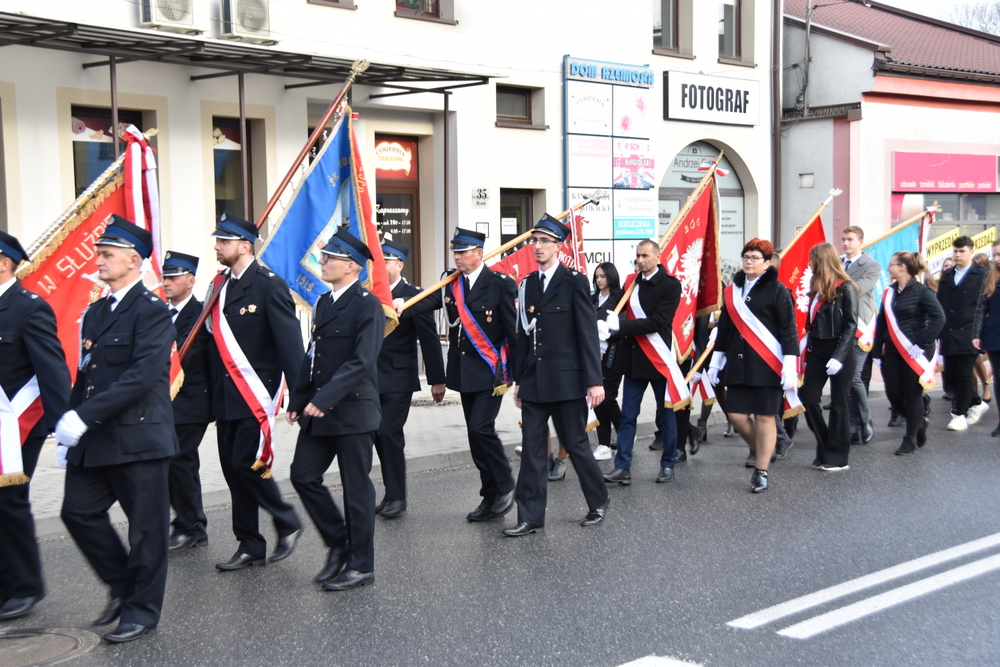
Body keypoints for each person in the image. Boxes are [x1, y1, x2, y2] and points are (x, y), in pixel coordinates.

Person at [57, 216, 178, 643]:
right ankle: (122, 584)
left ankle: (141, 611)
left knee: (146, 529)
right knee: (77, 511)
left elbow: (143, 376)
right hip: (98, 437)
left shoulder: (152, 311)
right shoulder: (97, 310)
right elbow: (86, 374)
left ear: (133, 260)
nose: (100, 260)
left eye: (107, 255)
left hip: (140, 436)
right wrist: (68, 424)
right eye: (100, 253)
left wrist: (83, 417)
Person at [288, 228, 384, 591]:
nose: (321, 262)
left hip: (352, 411)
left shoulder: (367, 305)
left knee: (356, 489)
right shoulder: (325, 302)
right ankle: (338, 542)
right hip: (319, 409)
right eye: (322, 257)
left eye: (328, 258)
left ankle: (361, 565)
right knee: (302, 475)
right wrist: (298, 399)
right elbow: (313, 356)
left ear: (351, 266)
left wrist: (322, 398)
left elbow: (361, 362)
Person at [399, 228, 518, 521]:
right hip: (465, 373)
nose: (457, 257)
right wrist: (403, 306)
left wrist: (521, 376)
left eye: (463, 252)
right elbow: (428, 301)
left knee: (481, 429)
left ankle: (505, 484)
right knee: (475, 437)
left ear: (479, 254)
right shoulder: (452, 283)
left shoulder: (501, 285)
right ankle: (489, 497)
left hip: (492, 372)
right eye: (455, 252)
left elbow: (514, 333)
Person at [207, 212, 304, 571]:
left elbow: (290, 344)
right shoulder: (219, 284)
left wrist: (299, 393)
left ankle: (287, 518)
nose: (217, 246)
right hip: (224, 395)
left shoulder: (268, 285)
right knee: (231, 472)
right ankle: (249, 543)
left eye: (224, 241)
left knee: (244, 464)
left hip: (254, 393)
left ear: (244, 245)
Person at [504, 215, 610, 537]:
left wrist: (594, 380)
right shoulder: (526, 285)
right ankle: (530, 515)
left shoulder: (575, 281)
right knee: (533, 449)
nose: (537, 247)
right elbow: (522, 337)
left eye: (544, 241)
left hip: (566, 381)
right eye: (534, 241)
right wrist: (519, 380)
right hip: (535, 380)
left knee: (576, 444)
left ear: (558, 246)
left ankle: (598, 500)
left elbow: (587, 335)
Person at [0, 231, 71, 621]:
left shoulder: (28, 308)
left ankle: (24, 587)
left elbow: (53, 372)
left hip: (19, 425)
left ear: (4, 263)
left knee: (10, 502)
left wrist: (64, 430)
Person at [706, 238, 798, 493]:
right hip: (737, 361)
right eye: (746, 256)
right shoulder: (732, 292)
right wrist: (716, 362)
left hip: (768, 364)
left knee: (765, 416)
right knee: (736, 415)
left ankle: (761, 471)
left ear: (767, 263)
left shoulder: (778, 291)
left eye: (755, 258)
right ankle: (764, 450)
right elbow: (724, 329)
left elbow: (789, 330)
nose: (749, 261)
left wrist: (790, 366)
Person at [373, 239, 446, 519]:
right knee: (378, 436)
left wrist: (436, 379)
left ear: (399, 265)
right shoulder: (372, 293)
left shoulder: (413, 295)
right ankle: (391, 493)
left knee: (389, 432)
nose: (380, 265)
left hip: (399, 376)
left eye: (386, 261)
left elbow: (429, 339)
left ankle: (398, 498)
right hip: (372, 378)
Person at [601, 239, 682, 485]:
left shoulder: (670, 285)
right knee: (627, 415)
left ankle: (668, 463)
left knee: (665, 415)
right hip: (634, 360)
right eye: (638, 256)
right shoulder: (631, 282)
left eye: (645, 255)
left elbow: (658, 322)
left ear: (658, 257)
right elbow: (614, 305)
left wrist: (621, 325)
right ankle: (622, 466)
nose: (640, 260)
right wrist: (601, 323)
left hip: (657, 360)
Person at [161, 251, 213, 553]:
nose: (166, 282)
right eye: (165, 276)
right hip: (164, 403)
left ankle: (190, 526)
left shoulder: (201, 314)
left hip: (192, 401)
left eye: (173, 277)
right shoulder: (160, 313)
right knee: (178, 463)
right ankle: (191, 524)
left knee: (178, 460)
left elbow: (214, 359)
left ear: (191, 280)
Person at [872, 251, 945, 455]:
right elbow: (882, 322)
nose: (888, 269)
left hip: (915, 352)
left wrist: (921, 343)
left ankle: (910, 438)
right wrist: (877, 351)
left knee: (912, 395)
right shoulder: (889, 293)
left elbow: (939, 318)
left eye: (891, 265)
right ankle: (918, 422)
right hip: (893, 351)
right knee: (894, 395)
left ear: (902, 267)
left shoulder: (922, 291)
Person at [798, 244, 859, 471]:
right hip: (818, 350)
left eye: (812, 259)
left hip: (839, 350)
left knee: (839, 403)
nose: (809, 264)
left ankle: (838, 456)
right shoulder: (816, 286)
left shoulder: (845, 287)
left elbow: (851, 324)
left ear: (822, 260)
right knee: (809, 398)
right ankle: (825, 445)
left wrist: (839, 355)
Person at [937, 236, 990, 431]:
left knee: (964, 374)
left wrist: (982, 332)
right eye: (955, 251)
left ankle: (960, 414)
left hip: (970, 330)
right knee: (951, 376)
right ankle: (976, 403)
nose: (958, 255)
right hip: (949, 331)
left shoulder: (983, 274)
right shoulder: (948, 275)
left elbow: (986, 305)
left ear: (971, 252)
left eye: (962, 251)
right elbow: (940, 303)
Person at [840, 226, 880, 444]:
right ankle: (852, 426)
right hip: (839, 325)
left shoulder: (871, 265)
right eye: (844, 239)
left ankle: (865, 420)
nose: (846, 243)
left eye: (850, 240)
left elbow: (857, 289)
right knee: (845, 379)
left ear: (860, 242)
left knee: (854, 378)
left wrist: (836, 276)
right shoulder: (837, 261)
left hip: (860, 326)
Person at [591, 262, 624, 461]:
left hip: (612, 356)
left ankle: (625, 431)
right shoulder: (593, 298)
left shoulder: (619, 298)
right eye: (597, 276)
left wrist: (609, 332)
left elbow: (623, 327)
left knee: (608, 397)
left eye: (603, 276)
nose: (599, 280)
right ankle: (604, 443)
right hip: (594, 356)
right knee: (597, 401)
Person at [972, 239, 1000, 436]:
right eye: (994, 255)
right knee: (999, 379)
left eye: (999, 255)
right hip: (994, 335)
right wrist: (977, 335)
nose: (996, 259)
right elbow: (981, 308)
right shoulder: (991, 277)